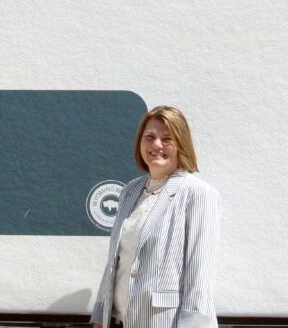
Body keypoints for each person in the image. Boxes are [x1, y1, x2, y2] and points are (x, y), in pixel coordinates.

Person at [91, 106, 221, 328]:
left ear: (181, 144)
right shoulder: (129, 192)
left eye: (167, 138)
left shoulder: (198, 194)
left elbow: (200, 277)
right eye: (149, 137)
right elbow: (116, 261)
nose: (156, 145)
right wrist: (99, 317)